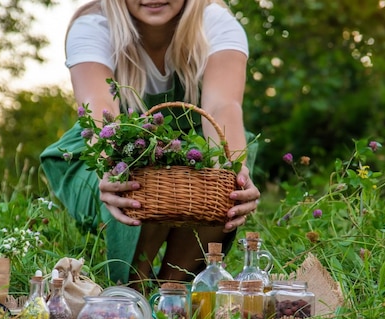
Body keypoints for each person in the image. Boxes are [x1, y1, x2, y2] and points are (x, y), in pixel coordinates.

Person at [40, 0, 260, 287]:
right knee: (145, 180)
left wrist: (234, 173)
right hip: (109, 152)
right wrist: (113, 167)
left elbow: (222, 106)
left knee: (222, 186)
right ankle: (133, 288)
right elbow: (99, 105)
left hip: (193, 145)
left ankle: (173, 289)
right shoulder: (94, 25)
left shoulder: (215, 23)